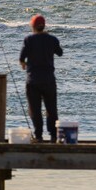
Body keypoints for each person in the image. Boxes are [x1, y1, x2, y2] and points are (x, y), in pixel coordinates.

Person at [19, 14, 64, 143]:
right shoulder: (52, 39)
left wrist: (25, 65)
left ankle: (38, 136)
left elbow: (22, 59)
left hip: (33, 80)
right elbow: (60, 53)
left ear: (32, 26)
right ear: (44, 26)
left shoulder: (29, 40)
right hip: (49, 80)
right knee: (51, 109)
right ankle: (53, 136)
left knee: (35, 109)